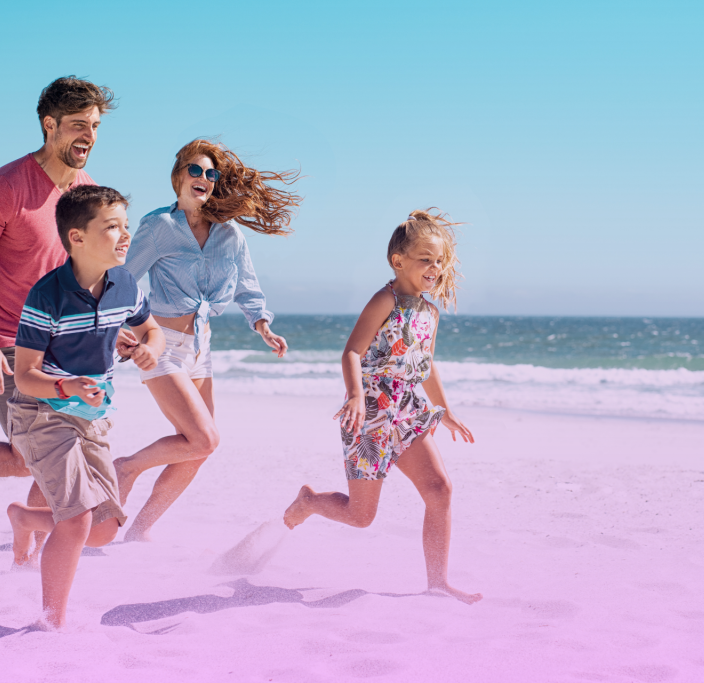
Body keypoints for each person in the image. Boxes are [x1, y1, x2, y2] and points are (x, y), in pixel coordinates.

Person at [0, 76, 116, 527]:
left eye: (94, 126)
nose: (88, 136)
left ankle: (28, 535)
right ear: (49, 125)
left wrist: (112, 325)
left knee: (48, 451)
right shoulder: (5, 187)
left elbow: (84, 273)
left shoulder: (86, 191)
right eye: (77, 125)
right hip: (11, 343)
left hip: (65, 345)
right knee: (37, 452)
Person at [283, 209, 482, 604]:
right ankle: (309, 502)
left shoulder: (429, 312)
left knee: (439, 489)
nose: (434, 268)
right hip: (370, 413)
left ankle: (438, 583)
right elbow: (352, 352)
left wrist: (446, 411)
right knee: (361, 517)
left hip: (408, 409)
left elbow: (425, 365)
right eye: (425, 259)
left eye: (439, 260)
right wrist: (356, 395)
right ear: (399, 261)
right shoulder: (384, 300)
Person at [116, 139, 301, 541]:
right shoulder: (158, 227)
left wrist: (263, 325)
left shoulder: (230, 235)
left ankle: (139, 531)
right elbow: (122, 278)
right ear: (178, 176)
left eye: (211, 173)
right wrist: (118, 326)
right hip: (162, 344)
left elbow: (247, 287)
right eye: (195, 170)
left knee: (199, 449)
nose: (203, 178)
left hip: (201, 349)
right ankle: (125, 468)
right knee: (204, 437)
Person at [6, 185, 164, 629]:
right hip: (42, 411)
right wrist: (66, 385)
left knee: (104, 529)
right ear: (76, 238)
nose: (125, 235)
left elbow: (152, 330)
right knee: (76, 521)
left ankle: (24, 518)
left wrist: (149, 349)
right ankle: (50, 624)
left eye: (126, 225)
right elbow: (24, 375)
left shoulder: (124, 284)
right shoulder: (46, 296)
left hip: (92, 416)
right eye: (112, 227)